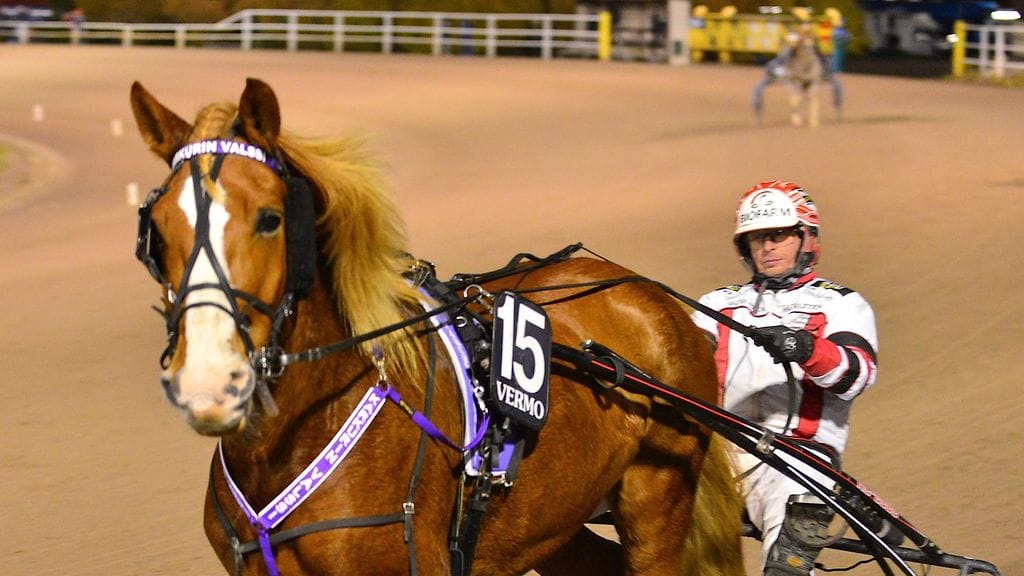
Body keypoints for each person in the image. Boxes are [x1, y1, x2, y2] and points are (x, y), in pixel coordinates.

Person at [691, 180, 878, 576]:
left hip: (797, 458)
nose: (766, 247)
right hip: (716, 453)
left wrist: (807, 349)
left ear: (806, 238)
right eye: (756, 239)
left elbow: (858, 375)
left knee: (788, 553)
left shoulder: (841, 303)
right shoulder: (716, 303)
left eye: (777, 235)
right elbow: (680, 362)